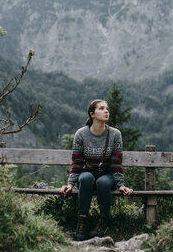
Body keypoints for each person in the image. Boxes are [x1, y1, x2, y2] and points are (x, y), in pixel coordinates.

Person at [58, 99, 133, 240]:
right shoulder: (81, 134)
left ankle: (104, 221)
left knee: (103, 183)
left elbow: (116, 162)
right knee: (86, 178)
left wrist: (121, 184)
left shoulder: (115, 134)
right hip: (87, 173)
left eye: (107, 109)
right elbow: (77, 162)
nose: (106, 111)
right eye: (102, 108)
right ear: (92, 114)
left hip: (107, 175)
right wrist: (70, 184)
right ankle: (82, 220)